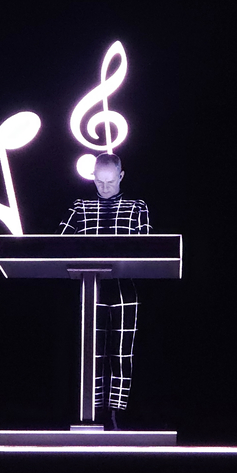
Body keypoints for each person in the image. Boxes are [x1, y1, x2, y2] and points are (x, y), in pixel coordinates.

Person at [60, 153, 151, 427]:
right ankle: (94, 410)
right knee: (92, 353)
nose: (105, 187)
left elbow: (147, 247)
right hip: (91, 289)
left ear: (121, 176)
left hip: (125, 288)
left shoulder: (137, 207)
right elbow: (59, 244)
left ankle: (118, 414)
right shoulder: (80, 207)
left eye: (110, 182)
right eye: (99, 182)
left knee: (122, 354)